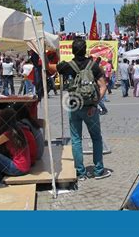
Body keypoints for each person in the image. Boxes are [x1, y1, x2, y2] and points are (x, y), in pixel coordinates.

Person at [47, 38, 111, 180]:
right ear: (85, 49)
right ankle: (98, 170)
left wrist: (50, 53)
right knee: (96, 138)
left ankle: (80, 172)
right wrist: (95, 103)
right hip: (91, 108)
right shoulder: (94, 66)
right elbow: (103, 86)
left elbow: (50, 68)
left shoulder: (67, 66)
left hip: (74, 106)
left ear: (72, 51)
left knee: (76, 139)